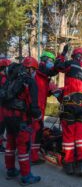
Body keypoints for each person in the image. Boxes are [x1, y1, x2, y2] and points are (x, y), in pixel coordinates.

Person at [3, 57, 41, 185]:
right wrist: (38, 115)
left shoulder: (11, 78)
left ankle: (10, 170)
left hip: (8, 116)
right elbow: (33, 105)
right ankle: (26, 176)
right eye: (34, 69)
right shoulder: (29, 81)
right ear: (31, 69)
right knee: (23, 147)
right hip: (21, 118)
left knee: (10, 144)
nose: (34, 72)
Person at [55, 45, 82, 177]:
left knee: (68, 136)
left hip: (70, 105)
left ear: (74, 56)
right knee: (81, 137)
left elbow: (58, 66)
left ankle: (68, 164)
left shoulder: (71, 64)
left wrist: (62, 54)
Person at [31, 51, 57, 165]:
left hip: (38, 108)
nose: (51, 65)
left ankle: (29, 152)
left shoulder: (44, 77)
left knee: (33, 131)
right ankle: (34, 157)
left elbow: (48, 92)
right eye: (50, 62)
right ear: (44, 61)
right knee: (36, 132)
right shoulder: (36, 76)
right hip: (35, 109)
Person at [0, 58, 11, 153]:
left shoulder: (3, 77)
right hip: (1, 106)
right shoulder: (3, 78)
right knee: (1, 125)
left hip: (2, 105)